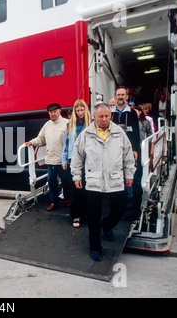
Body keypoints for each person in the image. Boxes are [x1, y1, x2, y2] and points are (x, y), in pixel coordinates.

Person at [71, 103, 136, 261]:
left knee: (119, 209)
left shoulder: (119, 133)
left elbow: (128, 155)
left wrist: (130, 174)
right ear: (94, 116)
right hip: (94, 181)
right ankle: (95, 247)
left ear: (110, 116)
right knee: (93, 216)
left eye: (107, 116)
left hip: (115, 179)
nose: (104, 119)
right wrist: (77, 177)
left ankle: (106, 226)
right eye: (101, 116)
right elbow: (77, 157)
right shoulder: (86, 134)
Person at [25, 103, 71, 211]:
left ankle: (68, 199)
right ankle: (53, 202)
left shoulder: (67, 123)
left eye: (55, 111)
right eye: (51, 112)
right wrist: (31, 142)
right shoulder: (47, 125)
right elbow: (40, 139)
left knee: (66, 180)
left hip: (62, 159)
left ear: (59, 112)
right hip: (50, 160)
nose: (53, 114)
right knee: (52, 182)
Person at [111, 86, 142, 219]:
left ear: (126, 97)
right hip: (113, 149)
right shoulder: (110, 112)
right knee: (116, 176)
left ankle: (129, 205)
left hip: (128, 149)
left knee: (129, 176)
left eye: (123, 95)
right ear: (115, 96)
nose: (121, 97)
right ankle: (117, 203)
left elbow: (135, 132)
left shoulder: (132, 113)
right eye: (118, 95)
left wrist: (135, 149)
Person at [62, 99, 92, 228]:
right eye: (77, 110)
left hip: (89, 160)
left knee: (88, 188)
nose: (80, 113)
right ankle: (76, 215)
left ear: (86, 110)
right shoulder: (70, 125)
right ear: (74, 111)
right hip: (73, 160)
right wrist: (64, 160)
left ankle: (87, 213)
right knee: (76, 188)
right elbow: (66, 144)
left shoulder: (91, 124)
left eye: (82, 110)